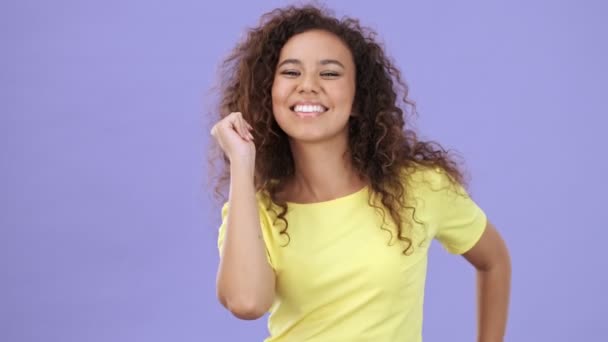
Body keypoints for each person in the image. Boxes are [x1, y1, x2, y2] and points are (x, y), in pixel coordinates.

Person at [210, 4, 511, 342]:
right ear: (269, 94)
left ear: (358, 98)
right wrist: (241, 161)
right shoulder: (254, 210)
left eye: (330, 73)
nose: (308, 85)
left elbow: (494, 260)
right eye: (291, 72)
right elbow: (247, 303)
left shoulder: (420, 186)